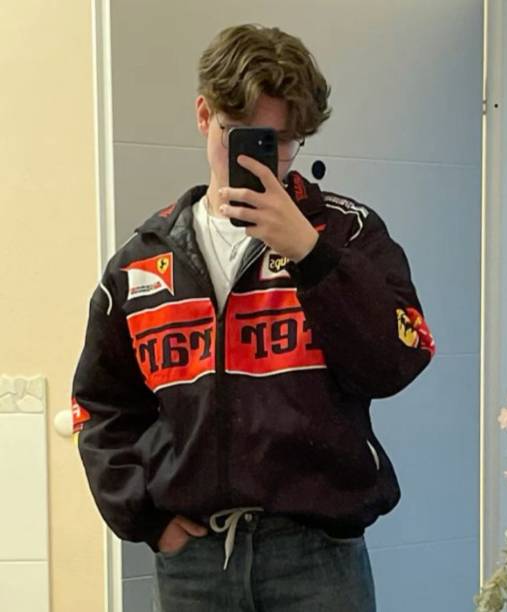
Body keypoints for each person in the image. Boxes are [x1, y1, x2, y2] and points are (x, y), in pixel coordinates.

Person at [71, 23, 436, 612]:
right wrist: (144, 516)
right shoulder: (141, 264)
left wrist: (311, 256)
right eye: (242, 135)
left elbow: (397, 360)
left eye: (282, 141)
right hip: (193, 565)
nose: (262, 158)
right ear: (204, 115)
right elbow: (101, 406)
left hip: (318, 557)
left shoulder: (348, 235)